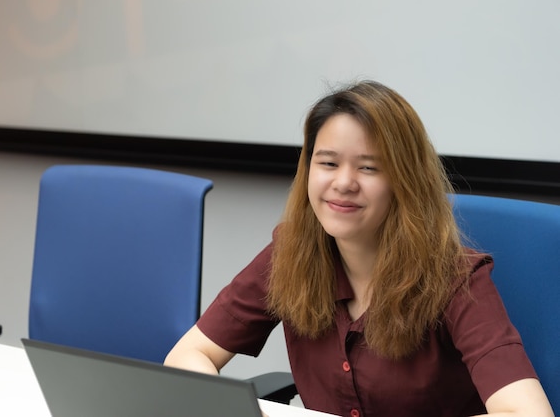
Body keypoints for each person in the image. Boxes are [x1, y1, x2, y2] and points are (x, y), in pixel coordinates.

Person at [164, 80, 554, 417]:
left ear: (405, 180)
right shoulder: (289, 254)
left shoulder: (455, 279)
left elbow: (527, 412)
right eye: (328, 163)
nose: (344, 183)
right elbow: (186, 357)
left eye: (368, 167)